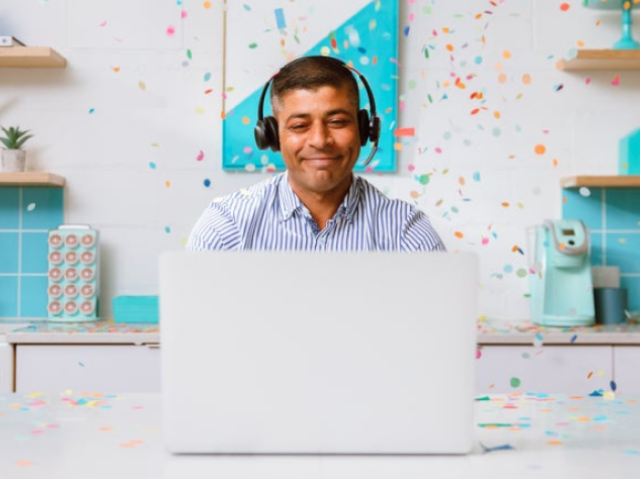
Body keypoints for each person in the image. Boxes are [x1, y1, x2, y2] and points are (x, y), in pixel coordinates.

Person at [187, 55, 445, 251]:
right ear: (273, 135)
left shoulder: (407, 232)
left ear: (364, 129)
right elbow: (192, 319)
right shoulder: (226, 226)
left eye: (337, 122)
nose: (320, 140)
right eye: (300, 126)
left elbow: (443, 320)